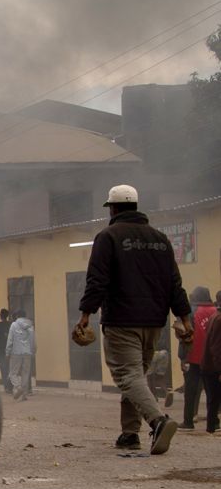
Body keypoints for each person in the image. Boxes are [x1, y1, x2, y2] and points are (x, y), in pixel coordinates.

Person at [75, 185, 192, 455]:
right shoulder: (160, 239)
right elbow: (175, 284)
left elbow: (97, 280)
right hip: (154, 322)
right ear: (136, 207)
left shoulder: (108, 237)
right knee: (137, 375)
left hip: (121, 320)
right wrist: (185, 318)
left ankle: (158, 422)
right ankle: (130, 433)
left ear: (113, 209)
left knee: (128, 376)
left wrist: (85, 315)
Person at [180, 286, 216, 430]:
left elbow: (185, 336)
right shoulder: (215, 312)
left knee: (190, 391)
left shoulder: (191, 312)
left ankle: (188, 421)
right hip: (212, 360)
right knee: (212, 392)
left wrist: (183, 357)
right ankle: (214, 423)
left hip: (194, 359)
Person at [200, 305, 221, 433]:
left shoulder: (215, 316)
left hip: (208, 365)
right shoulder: (219, 319)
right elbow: (217, 347)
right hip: (213, 367)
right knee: (214, 399)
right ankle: (211, 428)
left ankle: (211, 427)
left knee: (212, 399)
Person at [7, 310, 36, 401]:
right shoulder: (30, 325)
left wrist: (7, 352)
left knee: (13, 373)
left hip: (16, 352)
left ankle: (18, 387)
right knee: (25, 374)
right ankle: (23, 395)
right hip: (27, 353)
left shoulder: (14, 325)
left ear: (17, 316)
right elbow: (33, 340)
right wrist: (33, 351)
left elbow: (10, 340)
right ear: (25, 316)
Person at [0, 308, 13, 393]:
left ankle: (6, 387)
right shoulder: (11, 325)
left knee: (3, 369)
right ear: (7, 316)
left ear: (1, 316)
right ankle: (10, 386)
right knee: (10, 369)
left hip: (1, 351)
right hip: (10, 350)